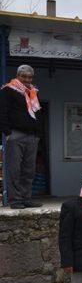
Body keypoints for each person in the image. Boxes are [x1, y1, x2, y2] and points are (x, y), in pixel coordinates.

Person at [0, 65, 42, 209]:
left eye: (29, 77)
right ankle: (15, 200)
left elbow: (36, 114)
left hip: (31, 136)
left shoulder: (33, 92)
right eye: (24, 77)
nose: (27, 80)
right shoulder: (8, 90)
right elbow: (2, 112)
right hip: (15, 135)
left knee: (29, 170)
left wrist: (37, 134)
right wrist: (8, 132)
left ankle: (26, 198)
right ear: (18, 76)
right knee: (15, 169)